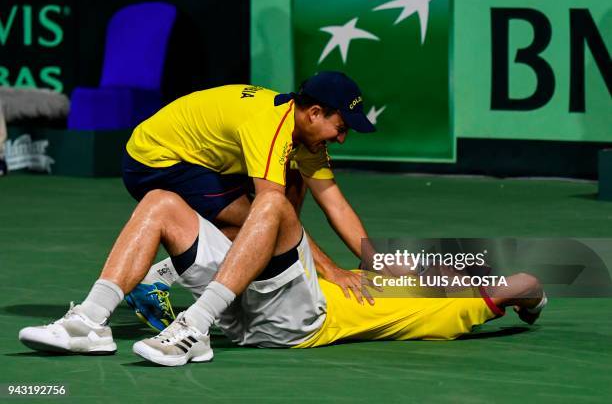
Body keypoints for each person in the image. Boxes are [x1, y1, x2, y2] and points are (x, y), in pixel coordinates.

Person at [19, 189, 546, 366]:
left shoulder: (450, 307)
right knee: (161, 203)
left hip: (299, 323)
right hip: (248, 306)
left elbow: (521, 282)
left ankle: (189, 319)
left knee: (274, 205)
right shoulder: (378, 275)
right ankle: (91, 321)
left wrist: (529, 299)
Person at [121, 71, 378, 312]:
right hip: (156, 160)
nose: (342, 139)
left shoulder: (304, 138)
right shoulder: (269, 128)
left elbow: (336, 205)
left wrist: (377, 261)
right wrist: (331, 270)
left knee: (292, 182)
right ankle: (154, 280)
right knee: (258, 225)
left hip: (206, 161)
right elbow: (272, 215)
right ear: (314, 113)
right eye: (341, 128)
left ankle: (163, 275)